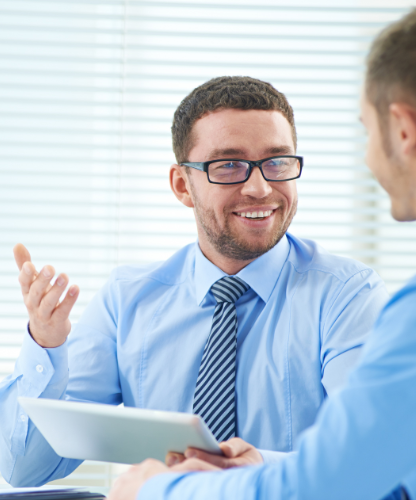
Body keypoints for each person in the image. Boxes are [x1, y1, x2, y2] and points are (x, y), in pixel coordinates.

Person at [107, 1, 416, 499]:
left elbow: (334, 483)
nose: (368, 155)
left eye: (366, 129)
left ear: (403, 130)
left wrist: (159, 490)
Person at [0, 77, 389, 486]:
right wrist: (46, 344)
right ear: (182, 185)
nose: (260, 188)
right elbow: (25, 468)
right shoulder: (127, 300)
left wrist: (252, 469)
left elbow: (374, 455)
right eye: (229, 165)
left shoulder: (348, 295)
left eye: (277, 162)